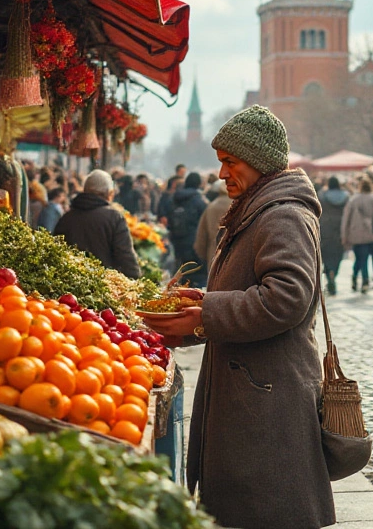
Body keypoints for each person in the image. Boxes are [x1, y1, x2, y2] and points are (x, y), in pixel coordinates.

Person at [143, 105, 336, 529]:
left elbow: (287, 297)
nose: (221, 174)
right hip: (256, 391)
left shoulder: (282, 214)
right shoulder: (258, 207)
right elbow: (254, 289)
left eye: (230, 162)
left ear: (259, 161)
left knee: (270, 512)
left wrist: (207, 313)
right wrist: (201, 304)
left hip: (269, 399)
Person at [54, 170, 141, 279]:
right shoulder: (114, 218)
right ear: (109, 194)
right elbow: (125, 256)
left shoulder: (66, 218)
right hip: (105, 286)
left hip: (70, 286)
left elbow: (56, 255)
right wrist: (136, 282)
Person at [341, 177, 373, 293]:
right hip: (372, 234)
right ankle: (365, 281)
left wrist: (344, 235)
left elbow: (346, 219)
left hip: (356, 234)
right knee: (366, 259)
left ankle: (361, 279)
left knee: (360, 259)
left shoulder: (354, 200)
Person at [168, 172, 209, 273]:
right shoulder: (198, 200)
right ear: (198, 184)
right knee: (194, 271)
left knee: (179, 269)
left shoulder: (175, 198)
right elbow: (204, 221)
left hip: (176, 239)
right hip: (193, 239)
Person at [193, 180, 232, 283]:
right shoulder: (239, 205)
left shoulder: (211, 206)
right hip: (234, 256)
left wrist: (203, 254)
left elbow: (201, 235)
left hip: (213, 253)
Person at [318, 177, 350, 295]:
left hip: (325, 229)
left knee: (325, 255)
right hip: (340, 229)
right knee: (337, 255)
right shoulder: (346, 196)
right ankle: (333, 274)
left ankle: (329, 273)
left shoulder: (321, 196)